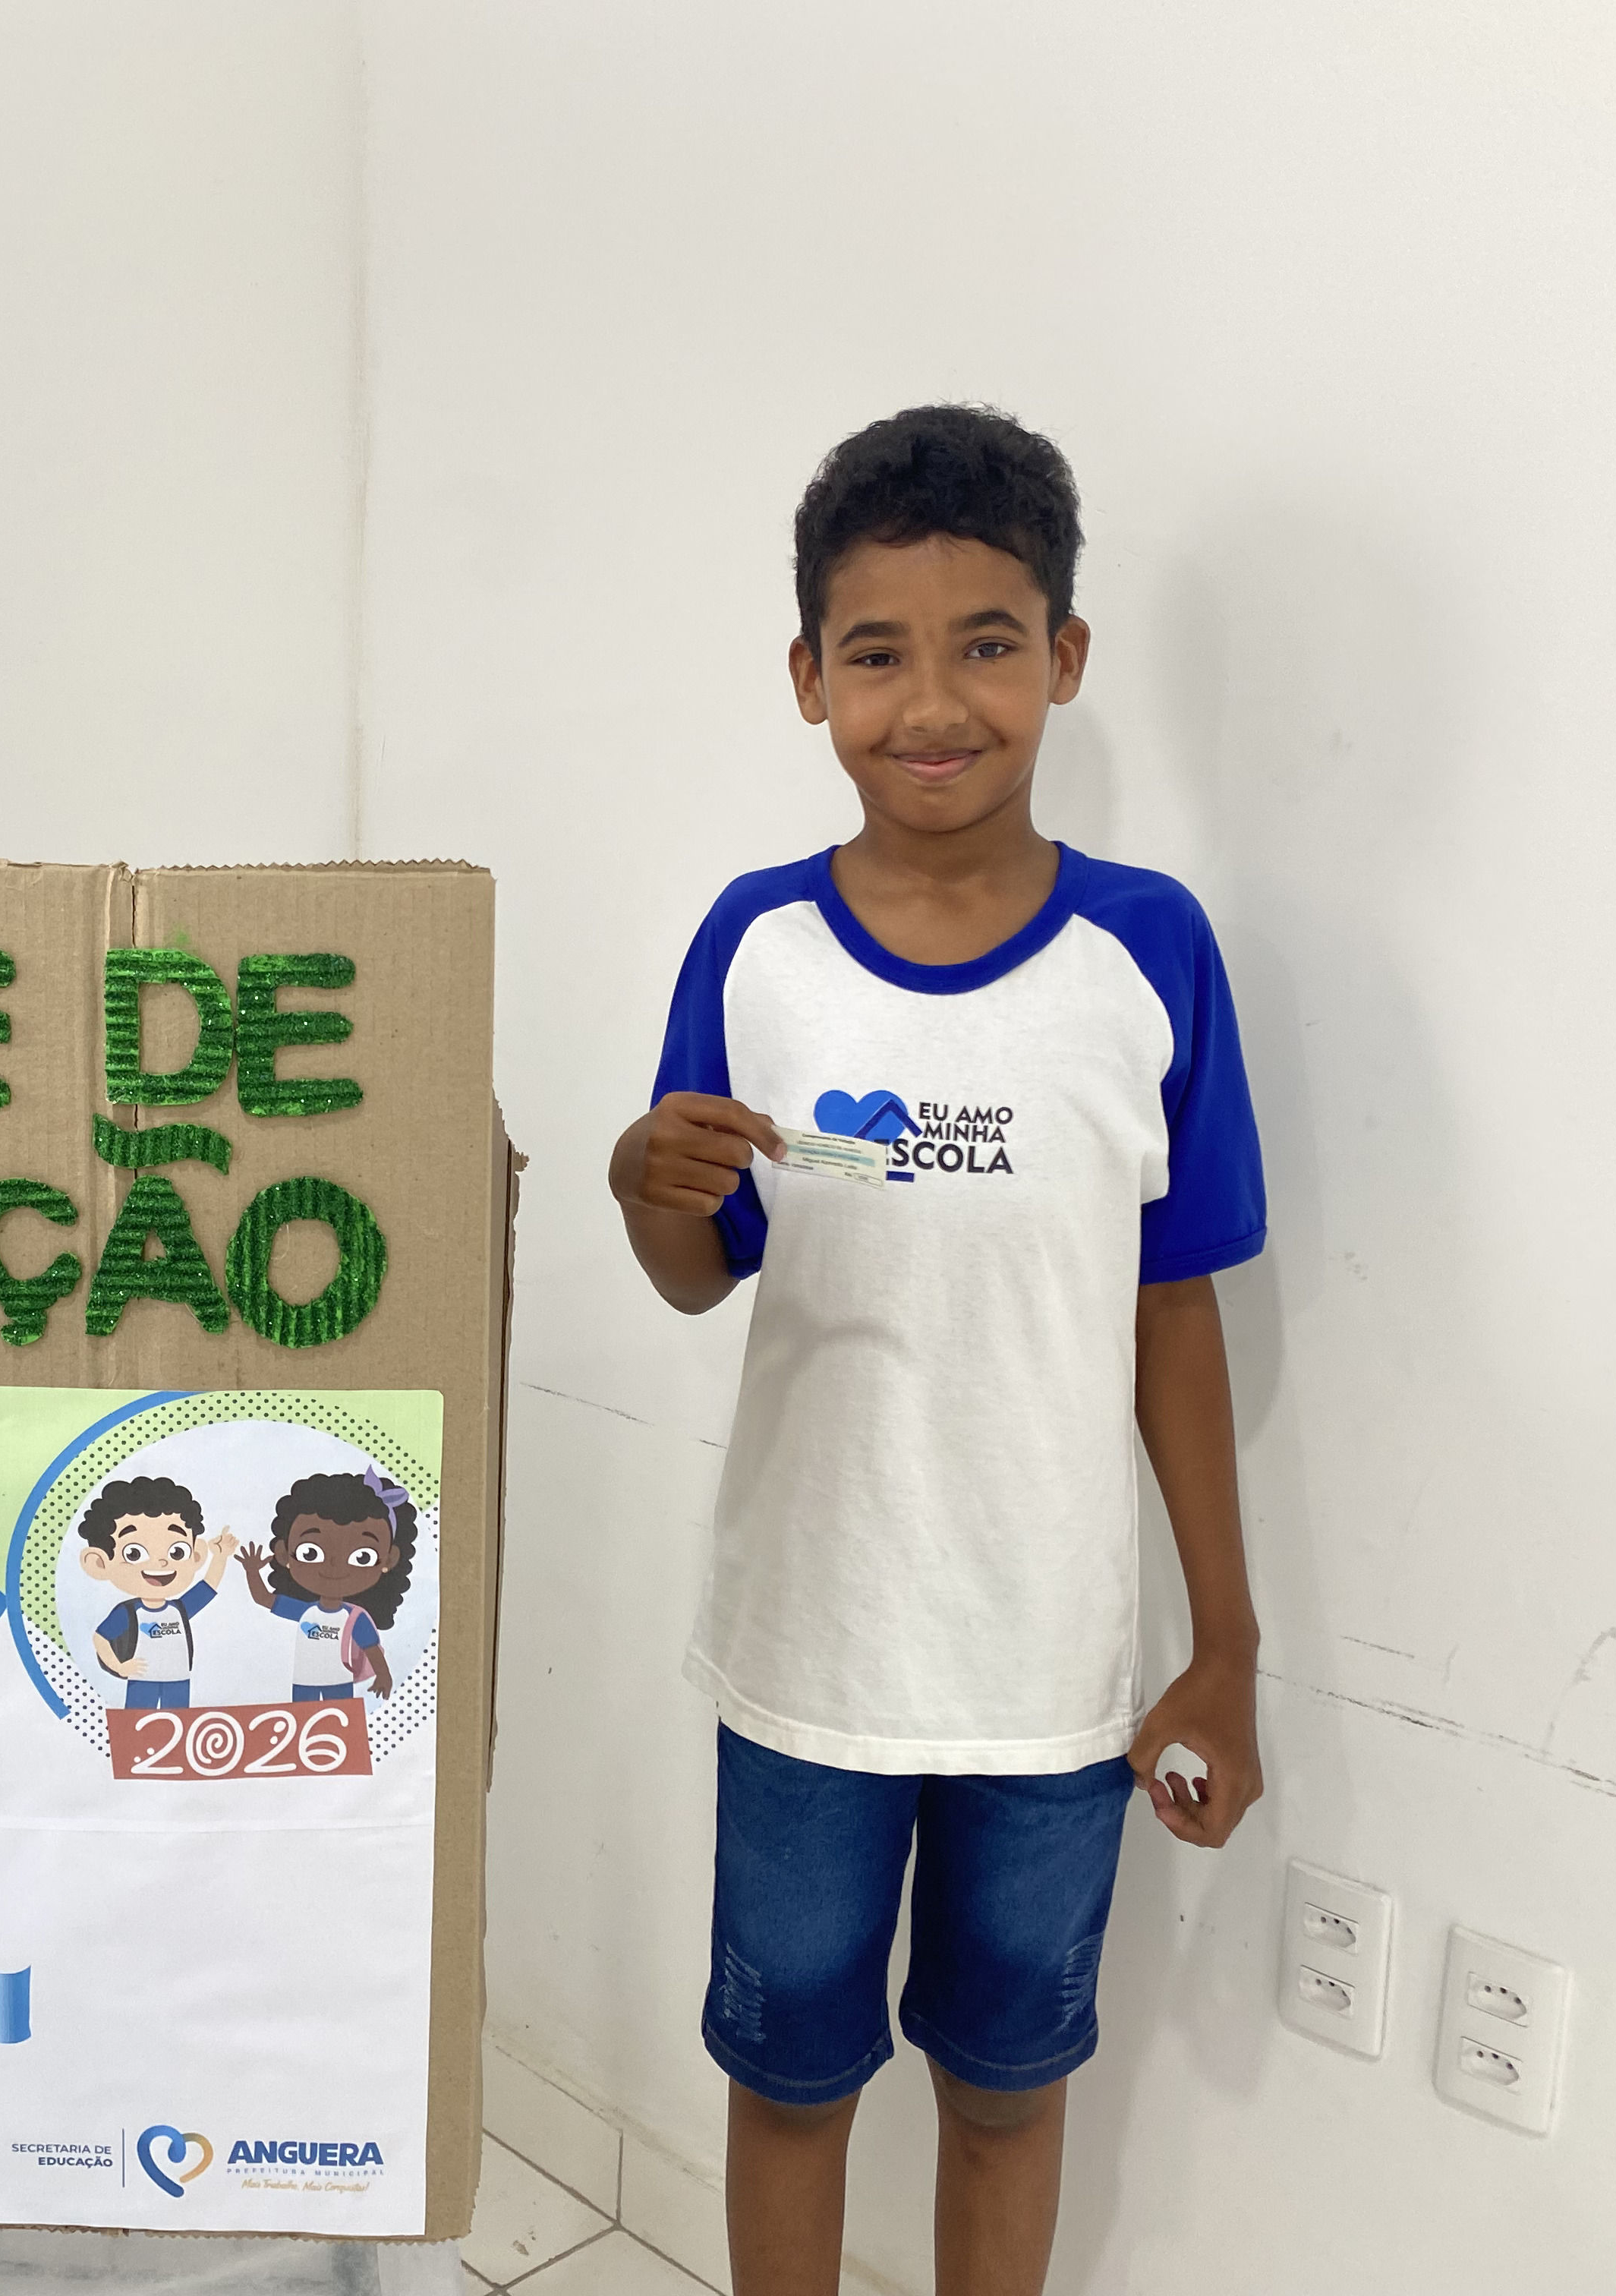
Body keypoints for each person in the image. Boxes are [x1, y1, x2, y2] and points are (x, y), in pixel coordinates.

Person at [609, 405, 1268, 2296]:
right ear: (809, 677)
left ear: (1065, 655)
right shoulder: (757, 945)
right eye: (877, 652)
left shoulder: (1149, 951)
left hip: (1051, 1679)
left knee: (1004, 2091)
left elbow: (1171, 1307)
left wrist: (1224, 1646)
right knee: (791, 2084)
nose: (933, 703)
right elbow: (697, 1272)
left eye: (987, 643)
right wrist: (645, 1186)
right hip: (807, 1664)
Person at [233, 1468, 413, 1702]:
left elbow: (372, 1649)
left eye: (363, 1557)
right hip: (304, 1682)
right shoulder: (305, 1611)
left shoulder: (355, 1618)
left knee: (341, 1719)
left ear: (388, 1560)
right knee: (302, 1720)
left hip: (339, 1683)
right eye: (310, 1553)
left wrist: (384, 1676)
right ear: (284, 1554)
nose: (334, 1566)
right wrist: (252, 1571)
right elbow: (263, 1598)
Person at [73, 1475, 235, 1710]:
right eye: (134, 1553)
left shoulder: (179, 1610)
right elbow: (101, 1638)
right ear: (100, 1563)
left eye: (177, 1552)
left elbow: (208, 1586)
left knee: (179, 1723)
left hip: (178, 1679)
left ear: (196, 1555)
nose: (161, 1563)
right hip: (142, 1681)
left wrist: (220, 1556)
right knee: (137, 1723)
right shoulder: (129, 1613)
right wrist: (119, 1667)